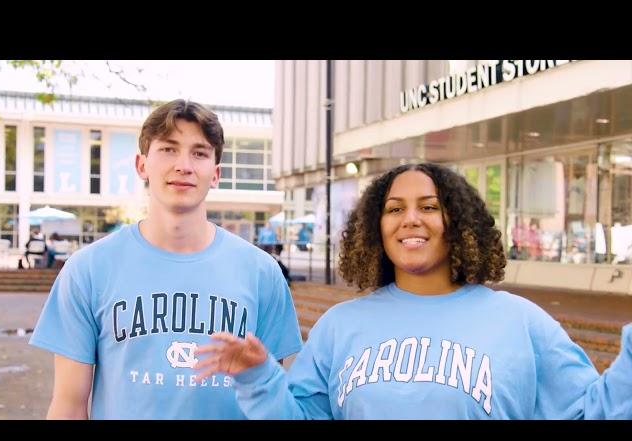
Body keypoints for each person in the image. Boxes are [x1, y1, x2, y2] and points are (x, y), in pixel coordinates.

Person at [194, 163, 632, 419]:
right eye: (394, 209)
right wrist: (258, 377)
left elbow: (590, 411)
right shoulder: (340, 326)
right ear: (375, 228)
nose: (410, 219)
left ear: (458, 222)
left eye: (429, 207)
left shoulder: (521, 321)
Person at [29, 99, 302, 419]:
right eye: (169, 149)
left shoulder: (262, 274)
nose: (184, 165)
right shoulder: (88, 270)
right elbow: (69, 405)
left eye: (199, 152)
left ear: (215, 174)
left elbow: (273, 402)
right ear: (141, 165)